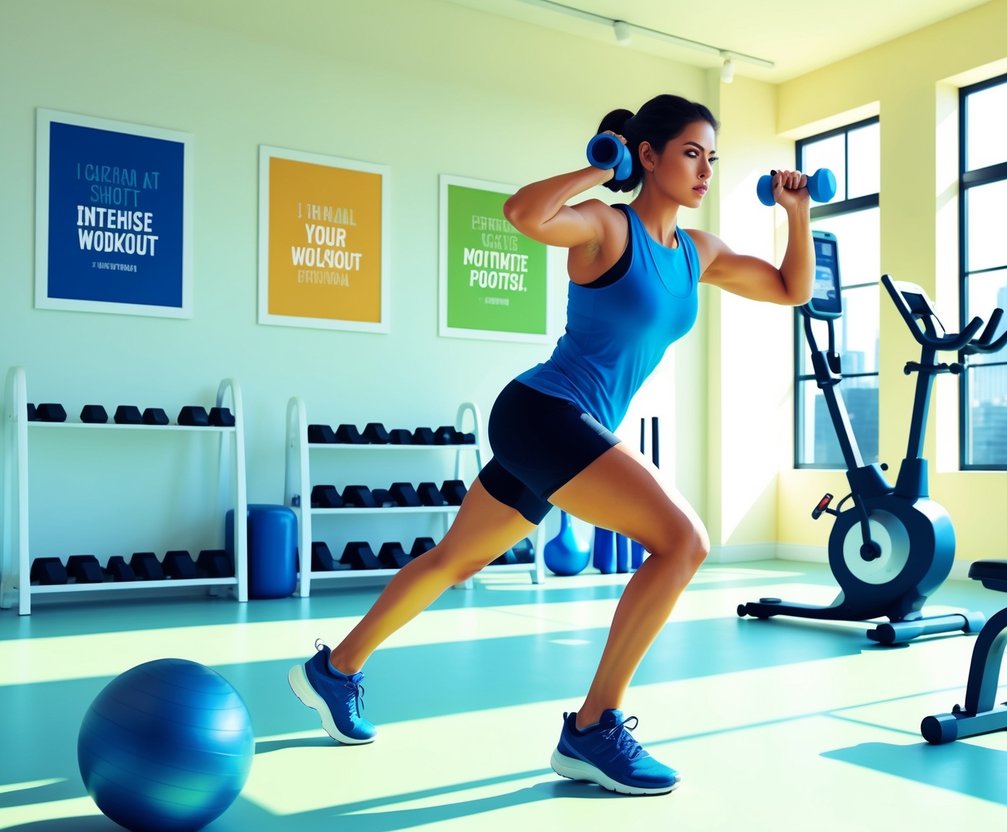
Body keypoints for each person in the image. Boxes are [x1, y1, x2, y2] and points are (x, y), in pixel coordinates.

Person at [289, 93, 813, 796]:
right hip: (545, 412)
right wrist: (600, 168)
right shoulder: (605, 228)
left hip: (561, 426)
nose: (704, 170)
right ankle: (593, 729)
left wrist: (796, 214)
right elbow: (522, 214)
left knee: (456, 559)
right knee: (683, 542)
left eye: (711, 157)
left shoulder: (697, 252)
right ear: (649, 156)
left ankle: (335, 670)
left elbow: (788, 289)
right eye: (690, 153)